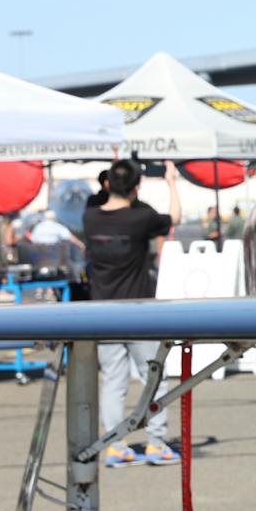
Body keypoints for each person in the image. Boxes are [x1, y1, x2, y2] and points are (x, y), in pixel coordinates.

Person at [82, 159, 182, 467]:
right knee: (153, 377)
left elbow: (104, 201)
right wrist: (172, 182)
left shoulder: (90, 218)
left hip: (103, 312)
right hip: (140, 312)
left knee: (113, 380)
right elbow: (174, 217)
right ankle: (155, 441)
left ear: (108, 184)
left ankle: (115, 445)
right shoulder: (141, 217)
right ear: (137, 187)